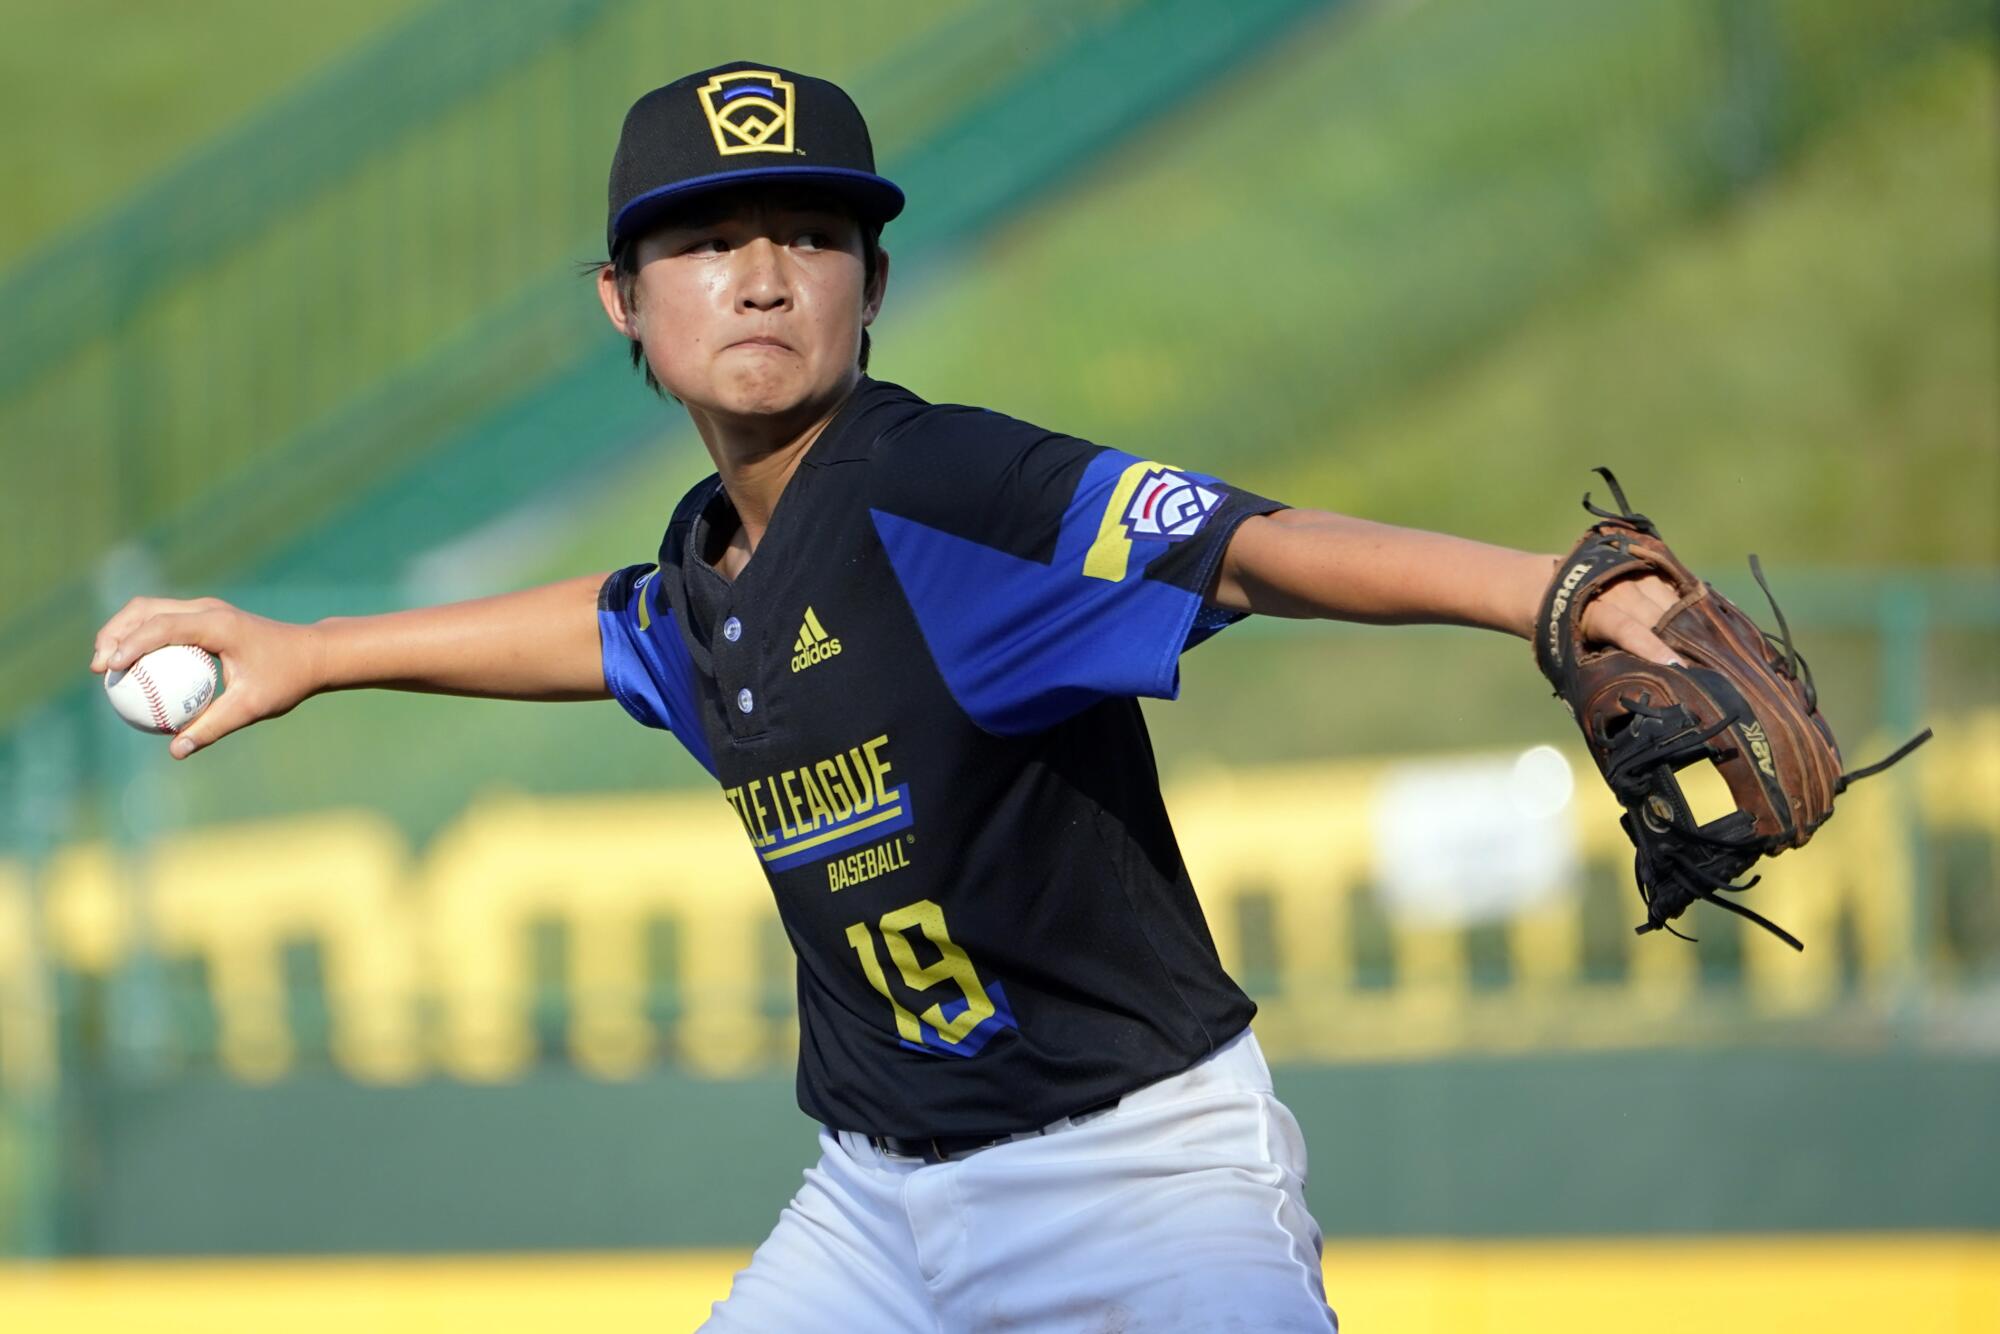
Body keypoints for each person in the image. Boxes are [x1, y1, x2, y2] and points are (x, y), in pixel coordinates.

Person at [90, 61, 1680, 1332]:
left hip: (1138, 1179)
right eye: (707, 242)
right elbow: (611, 630)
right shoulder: (711, 564)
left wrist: (1554, 592)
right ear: (621, 302)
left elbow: (1247, 549)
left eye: (811, 237)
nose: (764, 276)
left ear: (875, 282)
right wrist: (319, 648)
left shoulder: (943, 489)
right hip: (876, 1212)